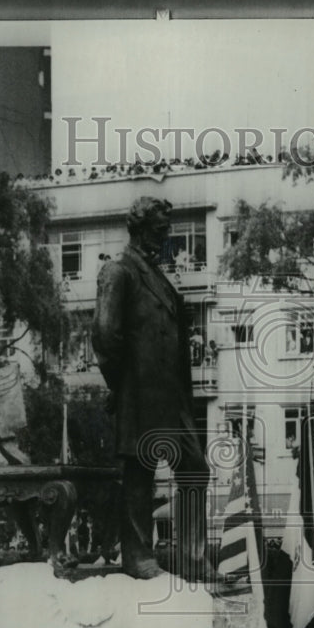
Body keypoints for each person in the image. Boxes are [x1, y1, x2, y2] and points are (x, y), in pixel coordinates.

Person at [92, 196, 218, 584]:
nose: (166, 238)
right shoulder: (119, 271)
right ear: (140, 228)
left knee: (195, 468)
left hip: (173, 396)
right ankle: (137, 556)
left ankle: (194, 557)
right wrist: (121, 384)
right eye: (161, 231)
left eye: (167, 231)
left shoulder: (159, 277)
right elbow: (105, 335)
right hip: (139, 392)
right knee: (140, 471)